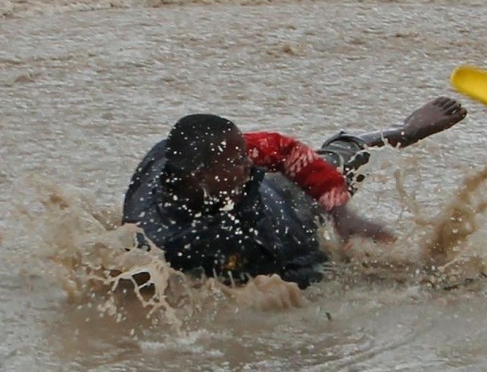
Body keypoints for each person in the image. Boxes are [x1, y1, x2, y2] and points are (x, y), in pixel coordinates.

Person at [122, 97, 468, 288]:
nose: (248, 163)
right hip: (278, 232)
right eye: (235, 161)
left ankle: (403, 130)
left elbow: (283, 151)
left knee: (340, 160)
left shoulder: (220, 156)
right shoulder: (160, 229)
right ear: (196, 176)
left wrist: (341, 213)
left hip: (289, 197)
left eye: (245, 154)